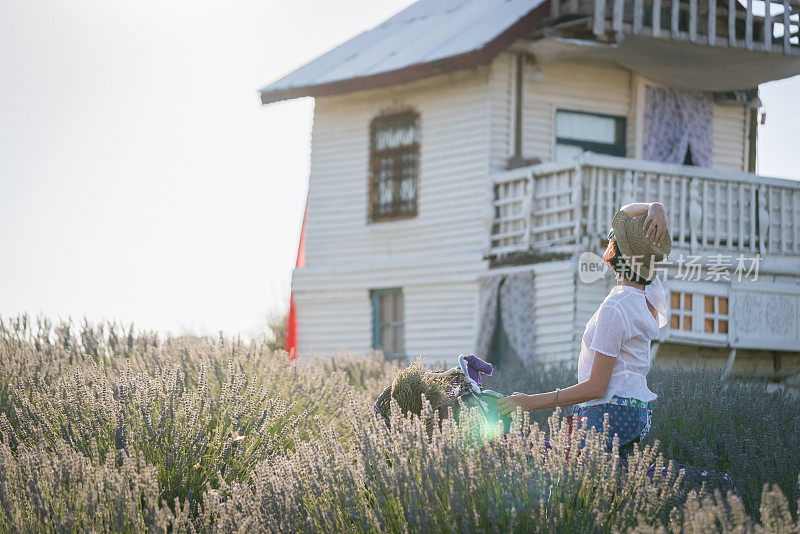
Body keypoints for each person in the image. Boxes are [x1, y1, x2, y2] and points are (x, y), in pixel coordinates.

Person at [498, 202, 671, 458]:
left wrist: (530, 402)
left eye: (612, 239)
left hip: (608, 412)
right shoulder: (648, 292)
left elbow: (596, 388)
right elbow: (622, 216)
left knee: (566, 484)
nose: (608, 240)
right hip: (636, 413)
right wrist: (656, 207)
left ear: (616, 251)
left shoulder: (616, 308)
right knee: (609, 487)